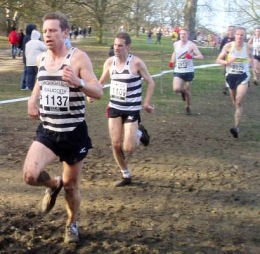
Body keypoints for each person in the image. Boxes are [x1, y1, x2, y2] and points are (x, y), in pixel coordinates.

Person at [22, 11, 103, 243]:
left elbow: (97, 91)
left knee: (71, 187)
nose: (48, 35)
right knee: (30, 175)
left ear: (65, 33)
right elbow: (40, 81)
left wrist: (79, 82)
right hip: (47, 130)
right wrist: (32, 99)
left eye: (53, 30)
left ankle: (71, 224)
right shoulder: (42, 59)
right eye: (45, 31)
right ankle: (52, 183)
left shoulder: (78, 58)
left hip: (73, 133)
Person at [99, 32, 155, 187]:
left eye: (120, 45)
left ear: (128, 47)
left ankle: (140, 132)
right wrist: (94, 93)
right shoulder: (110, 62)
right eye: (115, 45)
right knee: (115, 144)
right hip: (114, 108)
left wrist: (146, 103)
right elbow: (102, 81)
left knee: (128, 148)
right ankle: (126, 175)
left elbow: (151, 82)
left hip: (131, 109)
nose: (116, 48)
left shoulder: (136, 63)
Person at [216, 27, 252, 138]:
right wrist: (227, 61)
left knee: (238, 100)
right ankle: (238, 113)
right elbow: (218, 60)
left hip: (243, 76)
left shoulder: (248, 47)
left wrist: (253, 66)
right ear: (234, 35)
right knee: (235, 103)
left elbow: (252, 59)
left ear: (245, 36)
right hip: (231, 76)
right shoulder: (228, 46)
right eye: (238, 34)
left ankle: (236, 127)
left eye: (242, 35)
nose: (240, 37)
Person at [168, 28, 203, 115]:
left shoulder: (191, 45)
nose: (182, 36)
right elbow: (175, 53)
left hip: (188, 71)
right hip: (178, 70)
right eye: (181, 34)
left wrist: (192, 57)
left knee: (188, 91)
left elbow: (200, 56)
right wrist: (172, 61)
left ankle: (188, 106)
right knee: (176, 89)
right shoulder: (176, 44)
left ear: (188, 35)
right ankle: (182, 92)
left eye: (184, 34)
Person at [20, 24, 37, 90]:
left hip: (27, 56)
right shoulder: (28, 38)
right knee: (27, 71)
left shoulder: (26, 37)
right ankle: (25, 85)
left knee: (26, 71)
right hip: (28, 56)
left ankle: (24, 85)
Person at [219, 26, 236, 94]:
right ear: (228, 31)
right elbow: (221, 48)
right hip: (226, 59)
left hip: (235, 59)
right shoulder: (225, 39)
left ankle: (236, 84)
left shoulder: (236, 39)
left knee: (234, 72)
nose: (231, 31)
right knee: (226, 72)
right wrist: (222, 57)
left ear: (235, 31)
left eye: (232, 30)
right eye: (230, 30)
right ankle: (227, 86)